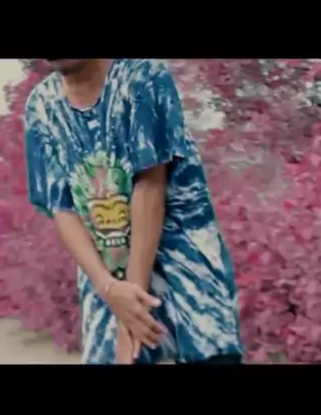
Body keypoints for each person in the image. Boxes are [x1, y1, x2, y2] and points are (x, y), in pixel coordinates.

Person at [24, 59, 244, 365]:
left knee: (211, 353)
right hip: (107, 268)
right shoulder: (41, 107)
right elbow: (62, 207)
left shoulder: (142, 76)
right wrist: (110, 289)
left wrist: (133, 306)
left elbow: (150, 185)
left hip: (183, 255)